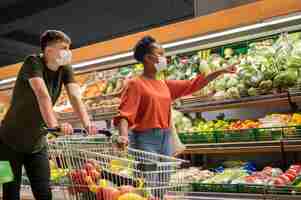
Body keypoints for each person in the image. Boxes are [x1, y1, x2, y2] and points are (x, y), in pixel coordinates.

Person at [0, 30, 97, 200]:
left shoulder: (65, 69)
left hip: (37, 143)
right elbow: (42, 94)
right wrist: (54, 126)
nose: (69, 52)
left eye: (69, 48)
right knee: (9, 191)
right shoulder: (32, 62)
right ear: (49, 50)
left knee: (44, 193)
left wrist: (87, 123)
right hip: (6, 142)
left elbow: (75, 96)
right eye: (64, 48)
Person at [114, 36, 237, 156]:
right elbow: (125, 114)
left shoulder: (164, 84)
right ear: (148, 58)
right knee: (149, 175)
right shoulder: (135, 84)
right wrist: (123, 136)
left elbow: (194, 84)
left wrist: (220, 71)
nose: (164, 58)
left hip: (166, 137)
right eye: (160, 54)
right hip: (145, 139)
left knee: (165, 176)